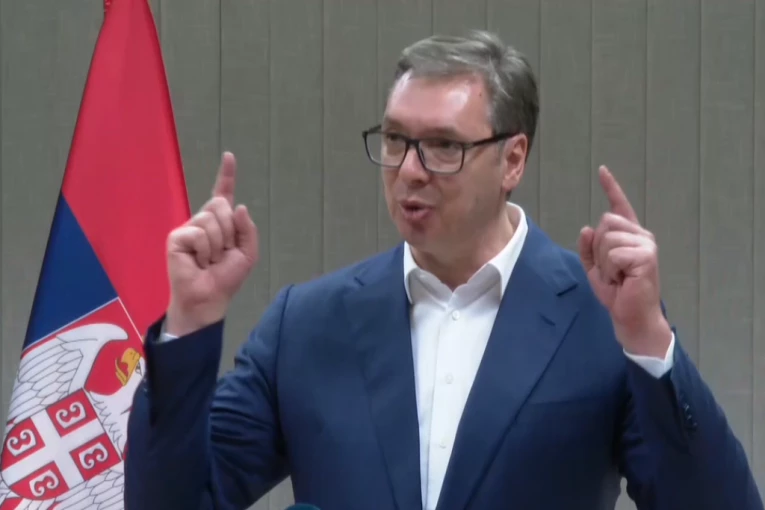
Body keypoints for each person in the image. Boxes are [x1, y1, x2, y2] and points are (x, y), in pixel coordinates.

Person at [124, 30, 762, 510]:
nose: (409, 170)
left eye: (443, 146)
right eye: (396, 140)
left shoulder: (599, 319)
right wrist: (190, 323)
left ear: (513, 160)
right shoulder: (306, 325)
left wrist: (649, 340)